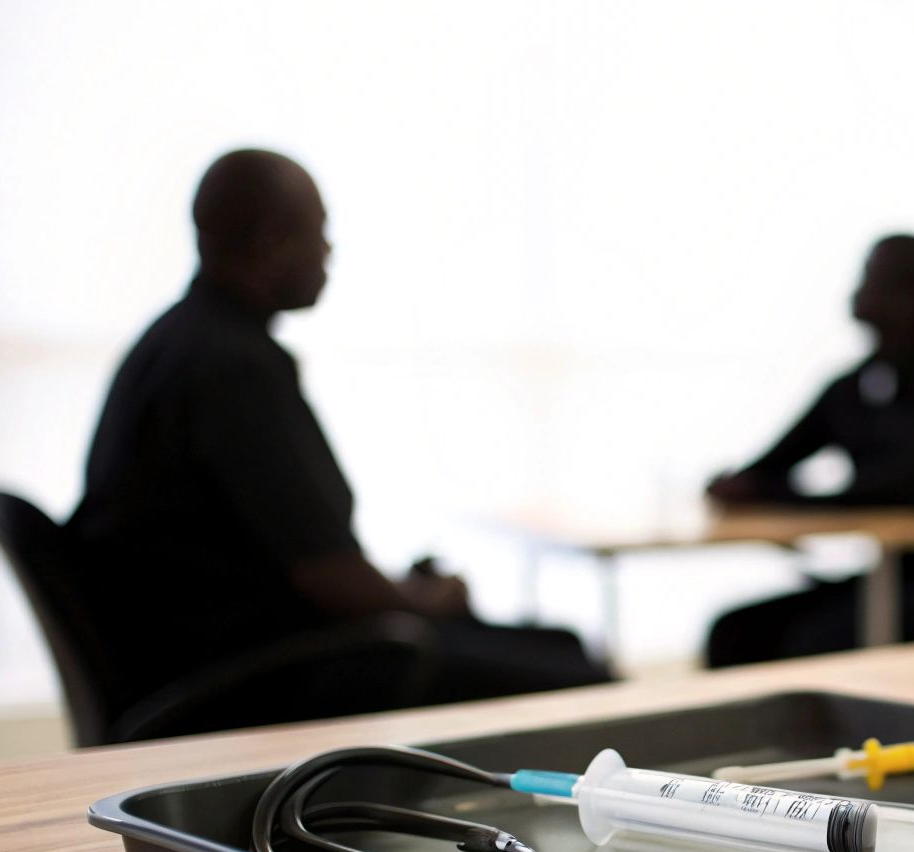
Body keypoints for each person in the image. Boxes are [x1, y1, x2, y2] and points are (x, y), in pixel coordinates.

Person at [70, 149, 607, 721]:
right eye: (319, 233)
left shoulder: (175, 346)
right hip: (259, 681)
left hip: (212, 665)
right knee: (583, 677)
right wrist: (428, 600)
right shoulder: (232, 368)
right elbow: (328, 576)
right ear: (273, 244)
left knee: (555, 646)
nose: (328, 251)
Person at [705, 235, 914, 667]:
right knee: (733, 633)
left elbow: (904, 491)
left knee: (814, 642)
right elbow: (772, 465)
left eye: (871, 277)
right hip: (886, 578)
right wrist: (739, 485)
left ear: (911, 294)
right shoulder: (852, 388)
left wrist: (778, 497)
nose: (858, 291)